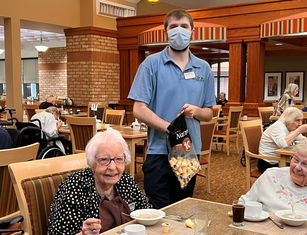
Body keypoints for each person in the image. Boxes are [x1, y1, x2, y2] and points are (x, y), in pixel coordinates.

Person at [128, 9, 215, 209]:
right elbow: (139, 109)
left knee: (183, 209)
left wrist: (196, 111)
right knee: (157, 211)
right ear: (166, 32)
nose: (179, 31)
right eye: (173, 27)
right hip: (158, 151)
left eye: (184, 26)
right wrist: (171, 128)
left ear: (192, 31)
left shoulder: (204, 68)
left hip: (188, 151)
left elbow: (209, 113)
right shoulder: (151, 64)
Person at [47, 130, 152, 234]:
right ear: (92, 163)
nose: (112, 167)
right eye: (104, 160)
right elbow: (56, 233)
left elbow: (147, 212)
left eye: (119, 159)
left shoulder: (126, 181)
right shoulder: (74, 188)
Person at [258, 107, 307, 173]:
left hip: (282, 160)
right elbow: (284, 144)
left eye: (301, 120)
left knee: (306, 166)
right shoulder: (278, 126)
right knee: (300, 170)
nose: (300, 124)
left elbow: (302, 139)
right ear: (288, 120)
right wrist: (299, 130)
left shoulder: (291, 127)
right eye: (297, 120)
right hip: (268, 163)